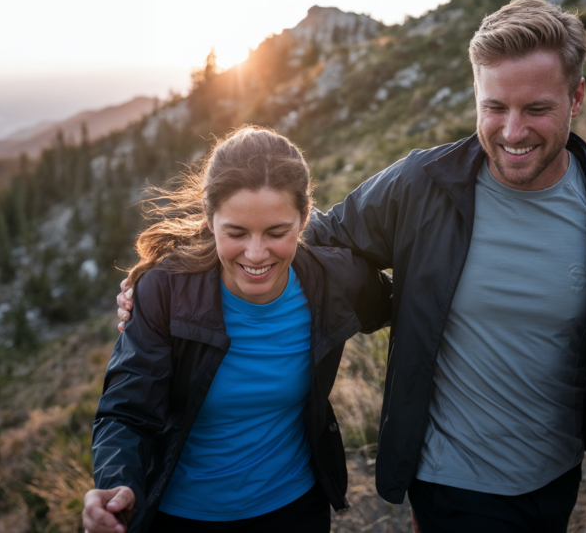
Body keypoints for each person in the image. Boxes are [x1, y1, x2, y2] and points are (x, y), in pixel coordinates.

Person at [117, 0, 586, 532]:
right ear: (475, 97)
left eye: (536, 109)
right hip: (447, 481)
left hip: (555, 476)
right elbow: (313, 240)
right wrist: (171, 282)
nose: (512, 131)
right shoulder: (421, 186)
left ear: (577, 98)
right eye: (494, 108)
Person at [87, 126, 392, 533]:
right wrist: (117, 484)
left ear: (304, 219)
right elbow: (127, 411)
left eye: (276, 232)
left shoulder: (335, 278)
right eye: (236, 233)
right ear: (209, 219)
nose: (255, 254)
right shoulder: (165, 290)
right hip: (181, 516)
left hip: (296, 508)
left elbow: (413, 307)